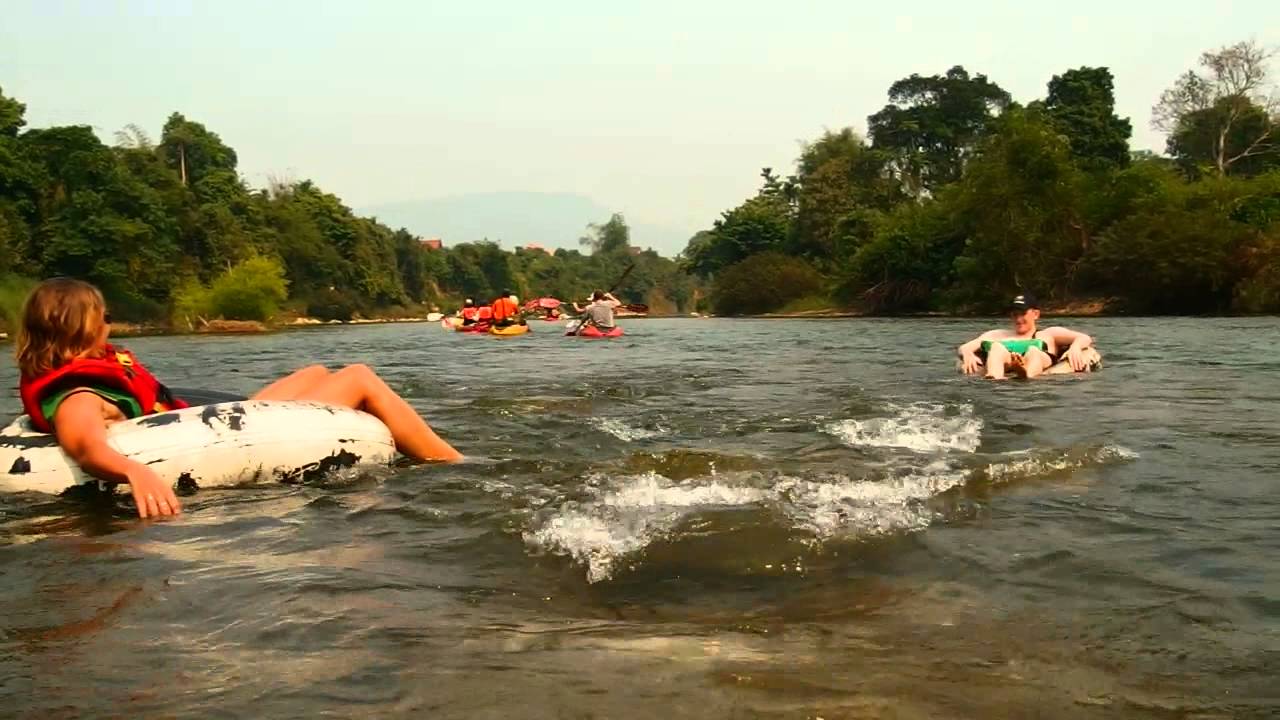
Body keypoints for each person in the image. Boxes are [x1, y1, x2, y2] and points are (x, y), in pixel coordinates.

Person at [14, 278, 462, 519]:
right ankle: (452, 465)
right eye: (105, 317)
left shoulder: (79, 374)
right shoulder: (77, 394)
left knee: (315, 373)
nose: (110, 326)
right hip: (212, 437)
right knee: (359, 377)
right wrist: (135, 471)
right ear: (83, 327)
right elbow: (85, 445)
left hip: (214, 423)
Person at [956, 293, 1096, 380]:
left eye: (1022, 314)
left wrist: (1075, 347)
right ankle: (995, 378)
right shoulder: (997, 334)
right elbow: (965, 347)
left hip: (1037, 362)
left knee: (1033, 351)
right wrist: (968, 353)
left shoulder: (1049, 334)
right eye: (1014, 314)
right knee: (997, 348)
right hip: (1008, 362)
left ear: (1035, 314)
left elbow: (1084, 338)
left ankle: (1026, 374)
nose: (1018, 319)